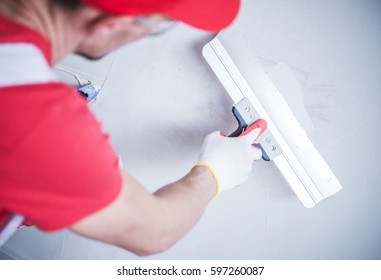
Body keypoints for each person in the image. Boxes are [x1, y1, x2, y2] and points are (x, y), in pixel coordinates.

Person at [0, 0, 267, 256]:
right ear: (108, 23)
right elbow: (154, 231)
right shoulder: (37, 121)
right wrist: (216, 172)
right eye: (157, 26)